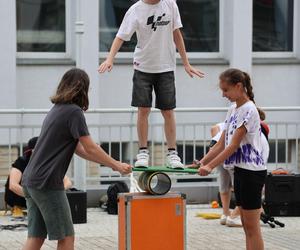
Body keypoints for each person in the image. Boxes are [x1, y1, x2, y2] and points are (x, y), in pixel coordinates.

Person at [21, 68, 132, 250]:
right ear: (83, 89)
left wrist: (110, 164)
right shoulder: (74, 112)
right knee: (67, 237)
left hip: (31, 181)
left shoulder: (57, 109)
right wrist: (117, 165)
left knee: (36, 236)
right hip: (47, 183)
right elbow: (90, 147)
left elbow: (79, 149)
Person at [98, 0, 204, 169]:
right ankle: (142, 152)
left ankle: (172, 153)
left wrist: (186, 63)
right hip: (143, 68)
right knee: (143, 110)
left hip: (166, 67)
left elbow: (177, 34)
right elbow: (120, 36)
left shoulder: (170, 5)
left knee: (168, 111)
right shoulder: (136, 10)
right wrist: (110, 58)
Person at [198, 68, 267, 250]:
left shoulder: (249, 110)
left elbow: (233, 145)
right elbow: (221, 142)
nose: (223, 95)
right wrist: (203, 161)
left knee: (252, 228)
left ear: (238, 86)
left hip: (252, 173)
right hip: (240, 172)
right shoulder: (233, 109)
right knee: (246, 227)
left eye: (226, 90)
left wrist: (211, 166)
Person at [5, 137, 73, 218]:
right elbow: (13, 186)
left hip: (41, 199)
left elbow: (68, 182)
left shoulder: (49, 162)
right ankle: (19, 207)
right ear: (30, 151)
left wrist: (58, 192)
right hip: (22, 198)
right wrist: (33, 197)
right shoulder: (21, 162)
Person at [210, 123, 242, 227]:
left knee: (224, 184)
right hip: (232, 153)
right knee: (238, 185)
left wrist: (207, 163)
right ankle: (234, 216)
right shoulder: (246, 123)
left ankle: (225, 213)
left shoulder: (220, 125)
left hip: (217, 152)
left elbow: (215, 142)